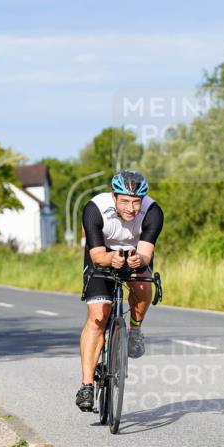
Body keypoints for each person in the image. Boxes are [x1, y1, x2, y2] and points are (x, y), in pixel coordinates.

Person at [75, 170, 163, 412]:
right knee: (98, 317)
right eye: (125, 201)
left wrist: (138, 261)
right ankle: (87, 385)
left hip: (135, 254)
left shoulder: (153, 212)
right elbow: (96, 255)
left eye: (136, 202)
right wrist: (110, 257)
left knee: (144, 281)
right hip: (103, 256)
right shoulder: (94, 208)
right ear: (114, 196)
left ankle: (135, 329)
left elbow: (146, 251)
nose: (131, 208)